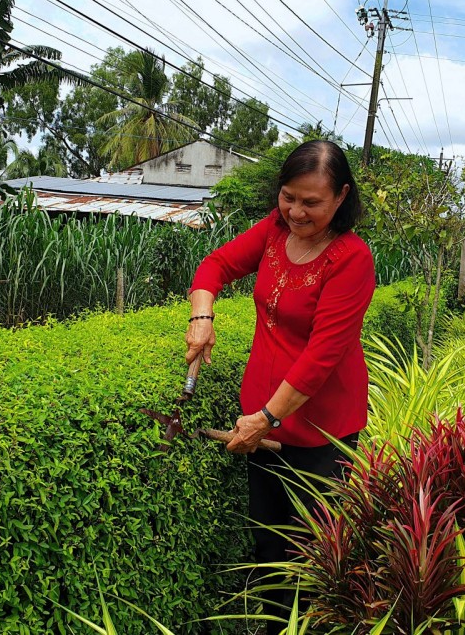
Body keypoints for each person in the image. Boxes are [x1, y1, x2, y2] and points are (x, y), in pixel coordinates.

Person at [186, 140, 376, 633]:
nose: (295, 211)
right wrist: (202, 316)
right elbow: (215, 266)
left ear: (341, 197)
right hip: (262, 420)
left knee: (310, 555)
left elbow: (321, 358)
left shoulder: (351, 259)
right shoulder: (273, 230)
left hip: (320, 431)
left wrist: (266, 418)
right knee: (268, 546)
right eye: (288, 196)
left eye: (311, 201)